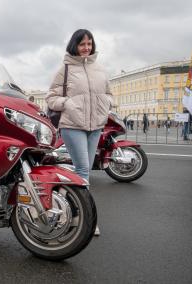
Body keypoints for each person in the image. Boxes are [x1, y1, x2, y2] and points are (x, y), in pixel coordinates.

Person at [46, 29, 113, 236]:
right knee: (83, 169)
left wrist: (108, 104)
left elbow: (109, 93)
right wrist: (67, 103)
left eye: (89, 44)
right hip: (72, 124)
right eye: (82, 44)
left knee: (83, 170)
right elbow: (51, 98)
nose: (86, 48)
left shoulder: (99, 69)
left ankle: (71, 209)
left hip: (95, 126)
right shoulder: (64, 69)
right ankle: (86, 218)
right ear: (74, 45)